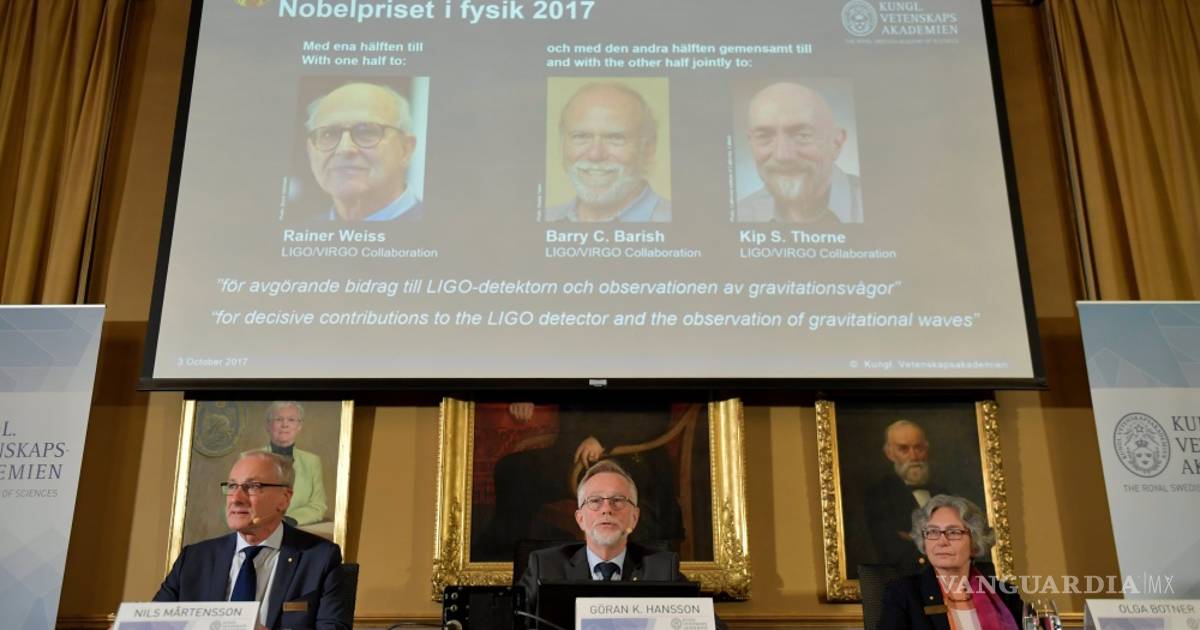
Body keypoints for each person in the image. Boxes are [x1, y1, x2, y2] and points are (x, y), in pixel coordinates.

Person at [154, 452, 351, 630]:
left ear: (284, 499)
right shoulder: (194, 559)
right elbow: (153, 625)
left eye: (252, 487)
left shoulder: (320, 558)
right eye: (232, 486)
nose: (236, 498)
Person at [517, 461, 723, 629]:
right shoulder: (545, 567)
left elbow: (710, 625)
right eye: (595, 501)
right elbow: (513, 622)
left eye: (618, 500)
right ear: (580, 519)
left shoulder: (661, 569)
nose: (606, 509)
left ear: (634, 517)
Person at [475, 403, 683, 561]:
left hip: (627, 456)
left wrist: (603, 439)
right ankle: (503, 557)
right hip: (573, 455)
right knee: (512, 469)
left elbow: (655, 418)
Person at [878, 495, 1023, 630]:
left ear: (975, 543)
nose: (942, 542)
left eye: (954, 532)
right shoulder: (903, 595)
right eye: (933, 532)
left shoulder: (1005, 596)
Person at [737, 82, 862, 226]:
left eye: (803, 135)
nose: (782, 156)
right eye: (764, 136)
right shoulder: (742, 214)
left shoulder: (876, 205)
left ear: (836, 143)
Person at [545, 82, 671, 222]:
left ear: (648, 148)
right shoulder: (546, 218)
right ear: (562, 144)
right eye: (580, 136)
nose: (595, 155)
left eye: (615, 138)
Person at [305, 81, 421, 221]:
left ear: (405, 149)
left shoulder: (438, 226)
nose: (344, 149)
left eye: (366, 132)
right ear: (311, 152)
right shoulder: (302, 229)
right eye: (328, 134)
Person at [865, 420, 949, 570]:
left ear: (926, 450)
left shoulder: (944, 493)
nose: (914, 456)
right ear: (890, 454)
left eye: (919, 448)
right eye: (904, 449)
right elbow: (891, 550)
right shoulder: (878, 495)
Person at [261, 401, 327, 526]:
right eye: (279, 419)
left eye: (291, 420)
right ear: (268, 425)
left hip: (298, 530)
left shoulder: (312, 461)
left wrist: (288, 520)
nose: (285, 425)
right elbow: (238, 503)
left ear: (299, 426)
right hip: (260, 529)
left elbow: (318, 505)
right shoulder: (247, 458)